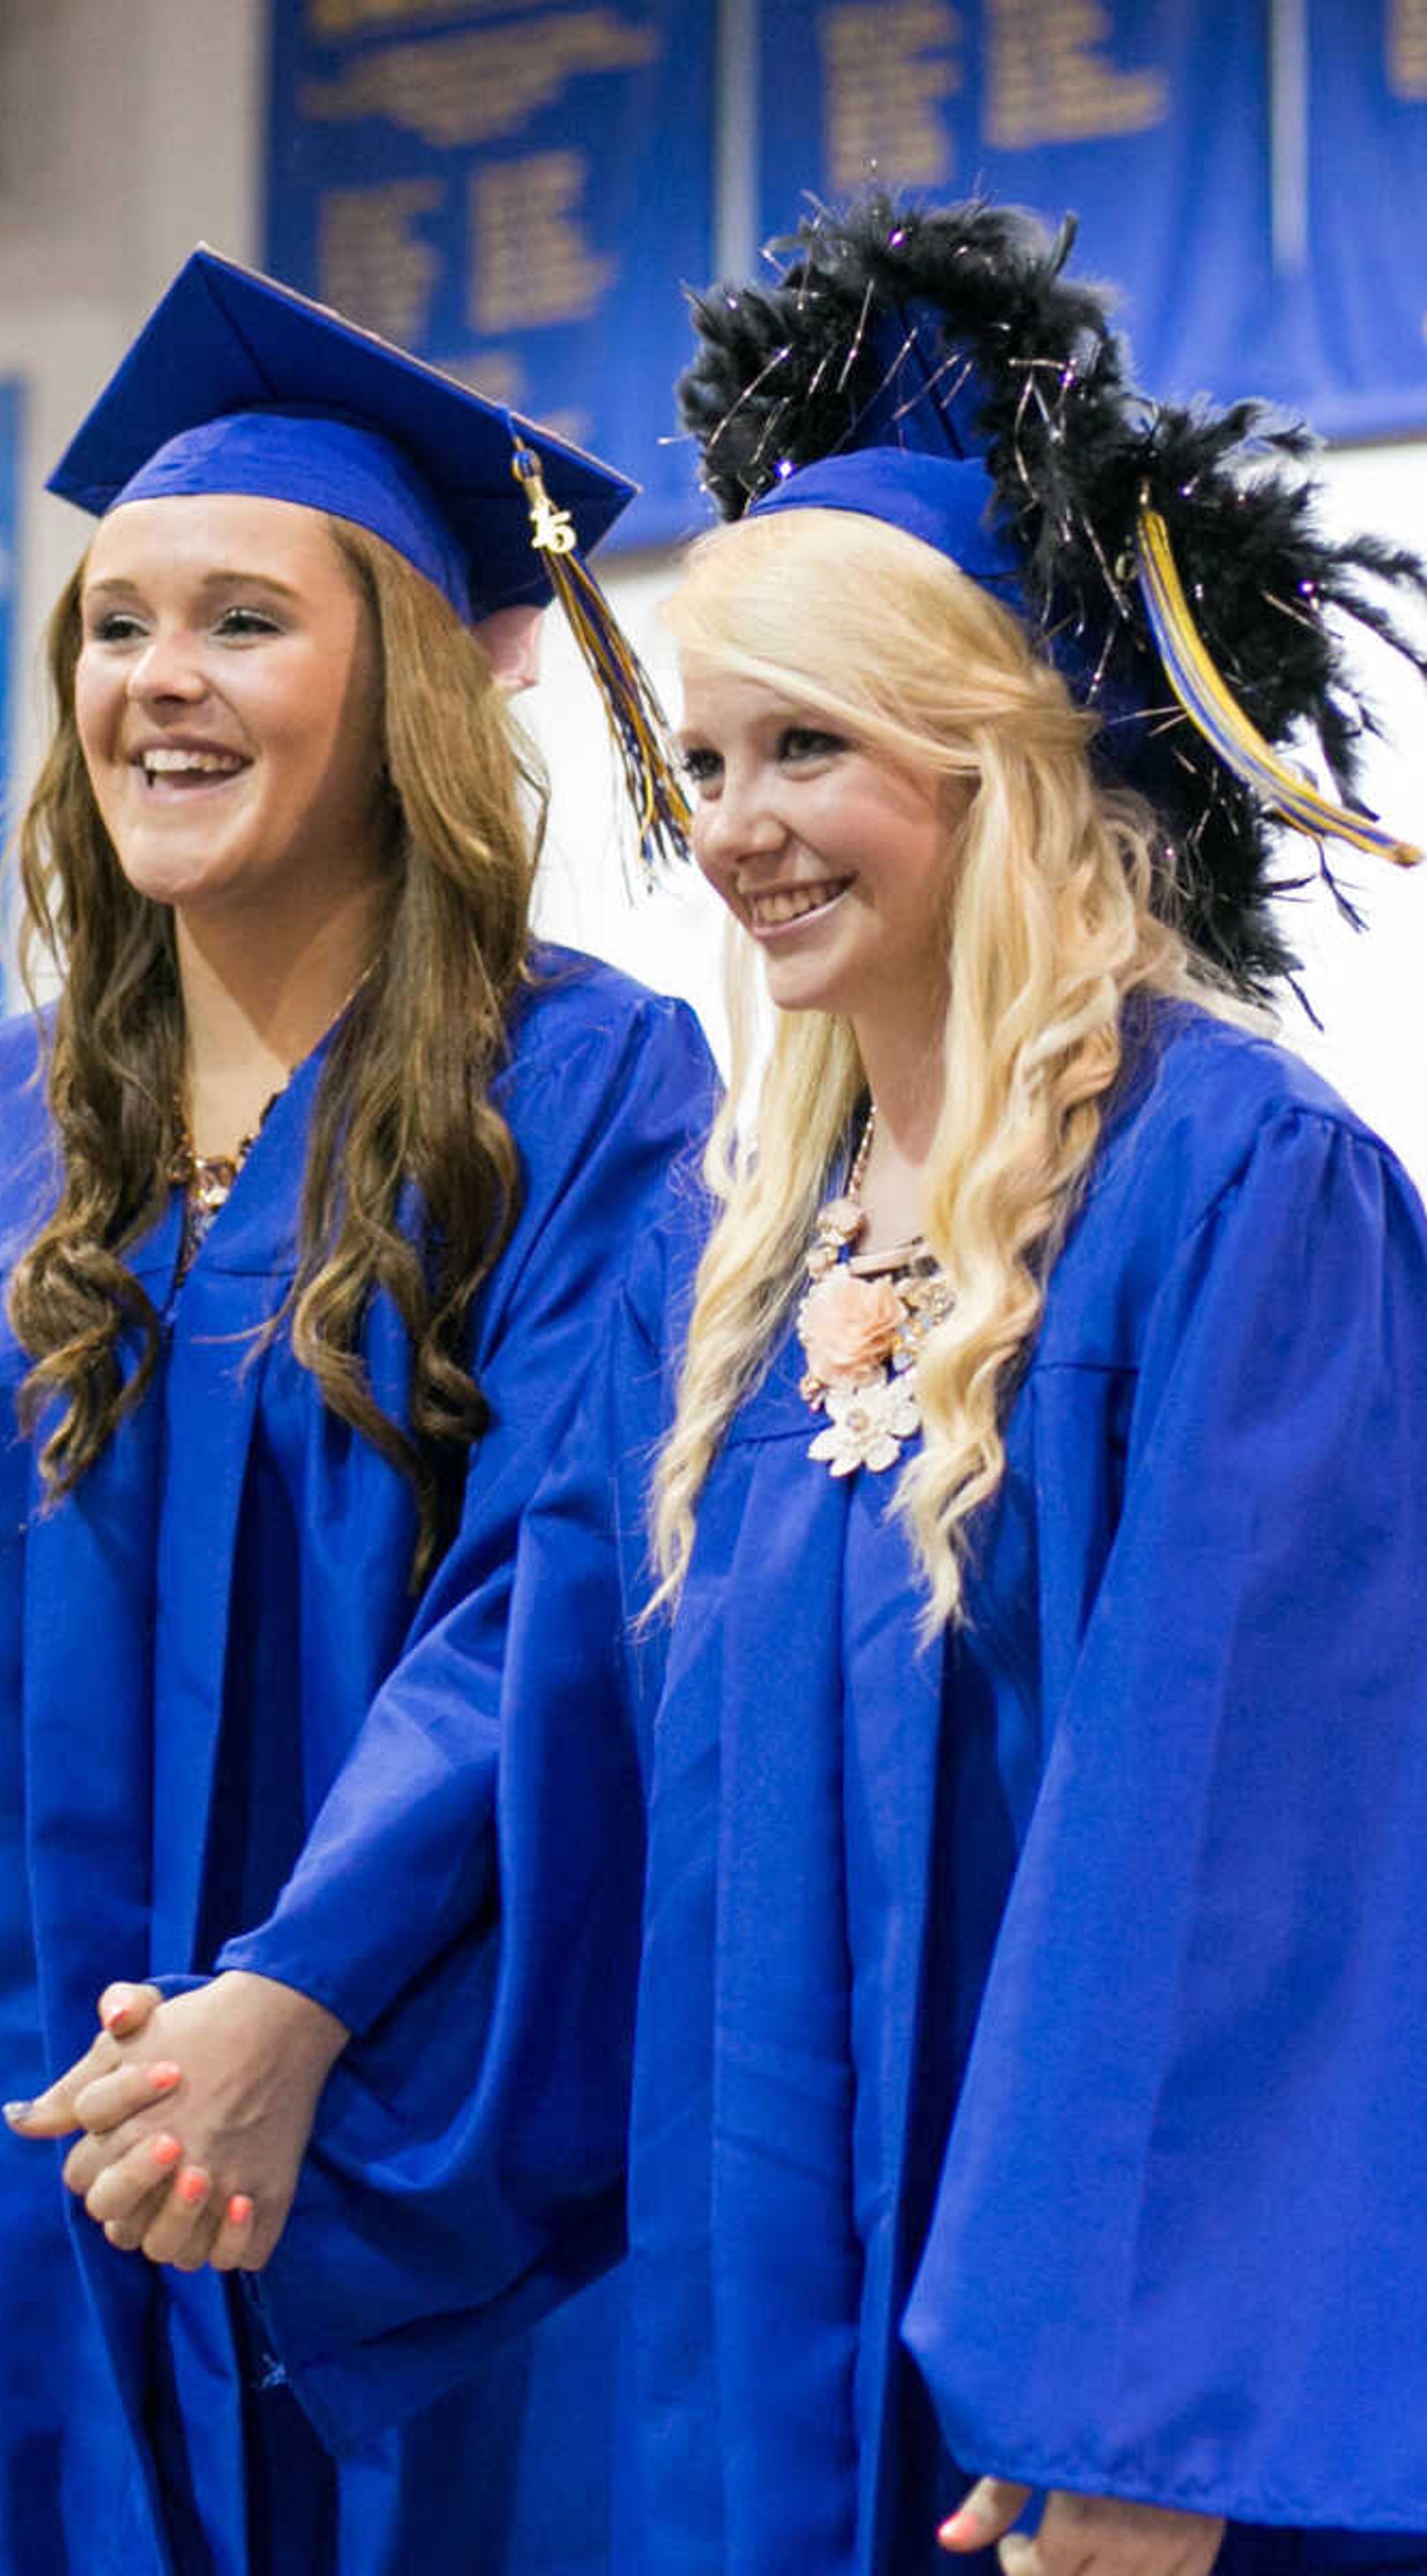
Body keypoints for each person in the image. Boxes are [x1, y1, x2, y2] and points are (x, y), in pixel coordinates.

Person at [0, 247, 712, 2574]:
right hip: (12, 2196)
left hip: (389, 2190)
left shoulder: (580, 1090)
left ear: (408, 700)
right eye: (117, 622)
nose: (160, 678)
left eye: (246, 620)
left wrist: (297, 1994)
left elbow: (568, 1593)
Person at [489, 195, 1427, 2575]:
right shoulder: (732, 1261)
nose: (740, 830)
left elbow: (1245, 1820)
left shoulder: (1233, 1186)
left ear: (998, 764)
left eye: (815, 748)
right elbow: (553, 1721)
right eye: (704, 758)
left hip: (1099, 2426)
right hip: (747, 2354)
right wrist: (297, 2009)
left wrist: (1133, 2396)